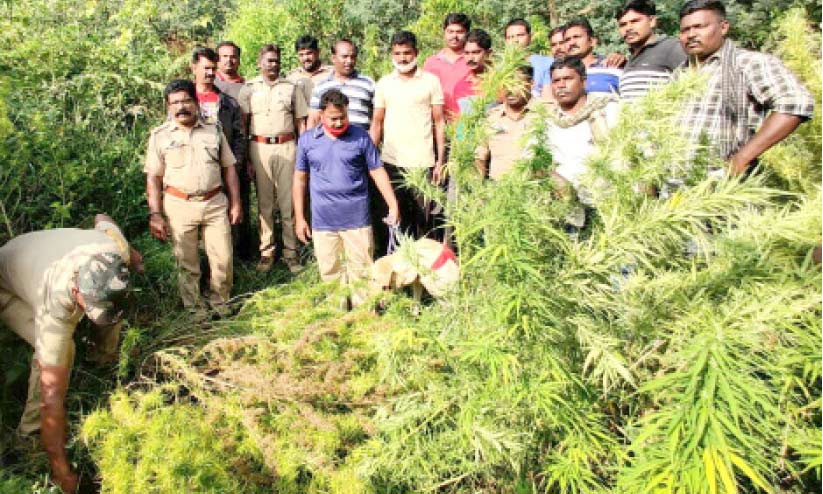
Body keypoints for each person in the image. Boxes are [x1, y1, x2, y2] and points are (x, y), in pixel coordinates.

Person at [0, 214, 142, 493]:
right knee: (58, 355)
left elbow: (103, 218)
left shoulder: (116, 250)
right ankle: (29, 435)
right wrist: (62, 473)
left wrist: (135, 257)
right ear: (77, 290)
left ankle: (103, 362)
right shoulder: (56, 300)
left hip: (31, 256)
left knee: (114, 316)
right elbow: (51, 400)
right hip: (6, 285)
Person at [677, 0, 814, 174]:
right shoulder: (678, 74)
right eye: (685, 30)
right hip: (672, 189)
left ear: (723, 27)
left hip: (719, 186)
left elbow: (795, 103)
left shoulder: (748, 63)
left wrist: (742, 159)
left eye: (699, 27)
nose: (691, 35)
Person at [293, 89, 399, 307]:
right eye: (333, 118)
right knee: (330, 272)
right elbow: (300, 180)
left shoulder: (361, 137)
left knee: (361, 271)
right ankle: (337, 318)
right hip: (323, 221)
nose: (340, 122)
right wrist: (300, 217)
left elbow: (377, 172)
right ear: (321, 115)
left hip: (357, 219)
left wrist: (393, 205)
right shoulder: (307, 141)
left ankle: (364, 318)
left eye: (343, 117)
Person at [145, 79, 242, 310]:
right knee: (187, 263)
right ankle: (195, 309)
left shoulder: (214, 129)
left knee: (223, 258)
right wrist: (155, 214)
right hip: (179, 205)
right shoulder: (160, 136)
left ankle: (220, 303)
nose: (181, 107)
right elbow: (153, 178)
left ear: (196, 102)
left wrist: (236, 202)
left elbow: (228, 168)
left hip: (215, 202)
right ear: (168, 107)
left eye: (186, 100)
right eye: (175, 103)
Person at [370, 31, 446, 254]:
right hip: (392, 163)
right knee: (395, 218)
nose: (402, 58)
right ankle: (396, 268)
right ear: (392, 54)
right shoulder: (384, 84)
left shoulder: (431, 81)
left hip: (423, 163)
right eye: (397, 53)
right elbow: (376, 123)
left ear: (416, 53)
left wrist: (440, 162)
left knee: (424, 222)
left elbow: (439, 123)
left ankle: (425, 272)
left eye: (407, 53)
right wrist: (369, 161)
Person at [237, 44, 308, 273]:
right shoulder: (249, 89)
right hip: (259, 148)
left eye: (276, 60)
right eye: (269, 60)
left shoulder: (290, 88)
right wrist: (247, 158)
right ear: (260, 62)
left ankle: (291, 253)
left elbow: (301, 124)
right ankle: (266, 253)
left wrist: (303, 153)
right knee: (264, 205)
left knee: (288, 204)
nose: (273, 64)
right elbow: (243, 124)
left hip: (287, 146)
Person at [190, 46, 253, 261]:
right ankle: (201, 266)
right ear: (194, 68)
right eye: (205, 68)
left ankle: (230, 265)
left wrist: (234, 165)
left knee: (229, 218)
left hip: (225, 170)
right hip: (193, 174)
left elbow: (239, 137)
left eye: (212, 68)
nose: (209, 73)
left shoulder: (227, 103)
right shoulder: (184, 100)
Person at [544, 57, 619, 224]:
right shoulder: (546, 121)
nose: (561, 85)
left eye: (568, 79)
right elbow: (533, 161)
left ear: (584, 82)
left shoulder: (607, 111)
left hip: (605, 204)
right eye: (556, 81)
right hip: (565, 210)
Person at [475, 66, 540, 180]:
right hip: (498, 192)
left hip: (535, 191)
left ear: (531, 83)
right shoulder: (492, 117)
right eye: (506, 83)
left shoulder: (544, 114)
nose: (510, 89)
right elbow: (480, 157)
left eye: (515, 83)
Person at [616, 0, 687, 100]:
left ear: (652, 21)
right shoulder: (629, 60)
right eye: (623, 24)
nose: (628, 28)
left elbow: (692, 86)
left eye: (635, 21)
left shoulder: (672, 48)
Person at [307, 39, 375, 129]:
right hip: (330, 141)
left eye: (353, 57)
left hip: (360, 141)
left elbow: (377, 118)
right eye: (345, 56)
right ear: (333, 58)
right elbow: (314, 119)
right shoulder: (321, 86)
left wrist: (371, 141)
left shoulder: (368, 83)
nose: (349, 61)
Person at [423, 12, 472, 122]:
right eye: (450, 31)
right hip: (438, 123)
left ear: (467, 33)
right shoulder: (431, 63)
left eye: (459, 32)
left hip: (469, 124)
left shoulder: (474, 61)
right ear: (444, 32)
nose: (454, 36)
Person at [561, 17, 624, 95]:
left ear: (592, 41)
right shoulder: (560, 73)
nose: (571, 43)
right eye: (567, 40)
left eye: (577, 37)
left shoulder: (611, 65)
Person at [504, 18, 553, 98]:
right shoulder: (501, 67)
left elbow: (548, 98)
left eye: (520, 35)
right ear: (505, 41)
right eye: (510, 37)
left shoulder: (547, 63)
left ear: (530, 37)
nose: (515, 40)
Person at [287, 35, 334, 109]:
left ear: (318, 52)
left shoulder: (331, 73)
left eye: (309, 53)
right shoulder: (292, 77)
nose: (305, 58)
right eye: (301, 55)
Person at [453, 29, 494, 113]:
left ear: (489, 53)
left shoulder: (502, 81)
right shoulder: (460, 86)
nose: (470, 58)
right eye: (467, 53)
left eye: (476, 52)